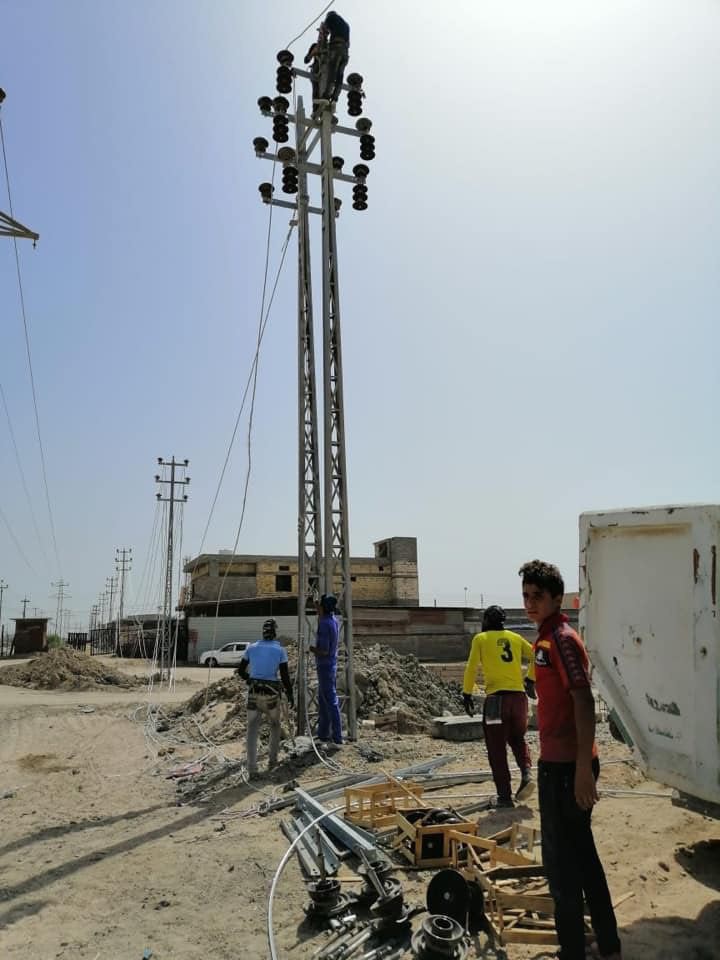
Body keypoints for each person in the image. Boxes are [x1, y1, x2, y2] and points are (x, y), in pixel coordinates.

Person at [519, 560, 622, 960]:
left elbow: (583, 700)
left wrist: (582, 770)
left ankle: (573, 951)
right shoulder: (548, 638)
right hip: (561, 765)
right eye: (526, 596)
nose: (530, 603)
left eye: (538, 596)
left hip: (565, 770)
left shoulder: (561, 639)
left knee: (562, 868)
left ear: (557, 598)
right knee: (582, 858)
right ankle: (607, 944)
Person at [462, 604, 536, 807]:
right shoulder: (515, 638)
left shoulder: (480, 639)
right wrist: (530, 679)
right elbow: (538, 656)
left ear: (486, 620)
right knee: (518, 739)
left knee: (496, 748)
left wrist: (467, 693)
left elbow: (471, 667)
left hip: (496, 701)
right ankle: (527, 773)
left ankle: (504, 797)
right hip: (519, 699)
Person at [237, 618, 293, 778]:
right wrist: (290, 694)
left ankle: (252, 770)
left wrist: (249, 678)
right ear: (275, 633)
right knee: (275, 725)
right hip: (271, 694)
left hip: (254, 692)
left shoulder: (252, 648)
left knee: (252, 730)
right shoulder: (280, 650)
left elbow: (240, 671)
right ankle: (272, 761)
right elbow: (285, 676)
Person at [309, 593, 343, 745]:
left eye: (320, 606)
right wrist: (316, 602)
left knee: (330, 700)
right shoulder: (333, 620)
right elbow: (321, 612)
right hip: (331, 664)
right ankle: (323, 734)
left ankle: (337, 737)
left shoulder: (324, 624)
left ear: (324, 608)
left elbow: (323, 651)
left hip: (325, 666)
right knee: (323, 700)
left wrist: (311, 649)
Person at [316, 11, 350, 103]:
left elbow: (324, 30)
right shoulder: (346, 25)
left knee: (331, 73)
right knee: (340, 76)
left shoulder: (331, 17)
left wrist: (322, 31)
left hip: (336, 48)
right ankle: (335, 97)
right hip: (345, 52)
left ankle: (326, 97)